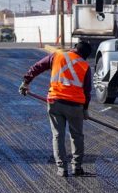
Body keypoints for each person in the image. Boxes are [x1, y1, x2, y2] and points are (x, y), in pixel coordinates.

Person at [19, 40, 93, 177]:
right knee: (77, 136)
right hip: (75, 105)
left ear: (74, 48)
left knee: (58, 135)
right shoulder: (85, 66)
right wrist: (85, 109)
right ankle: (77, 167)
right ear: (85, 55)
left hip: (55, 102)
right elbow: (87, 91)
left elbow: (37, 67)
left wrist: (26, 82)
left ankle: (62, 169)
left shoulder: (57, 55)